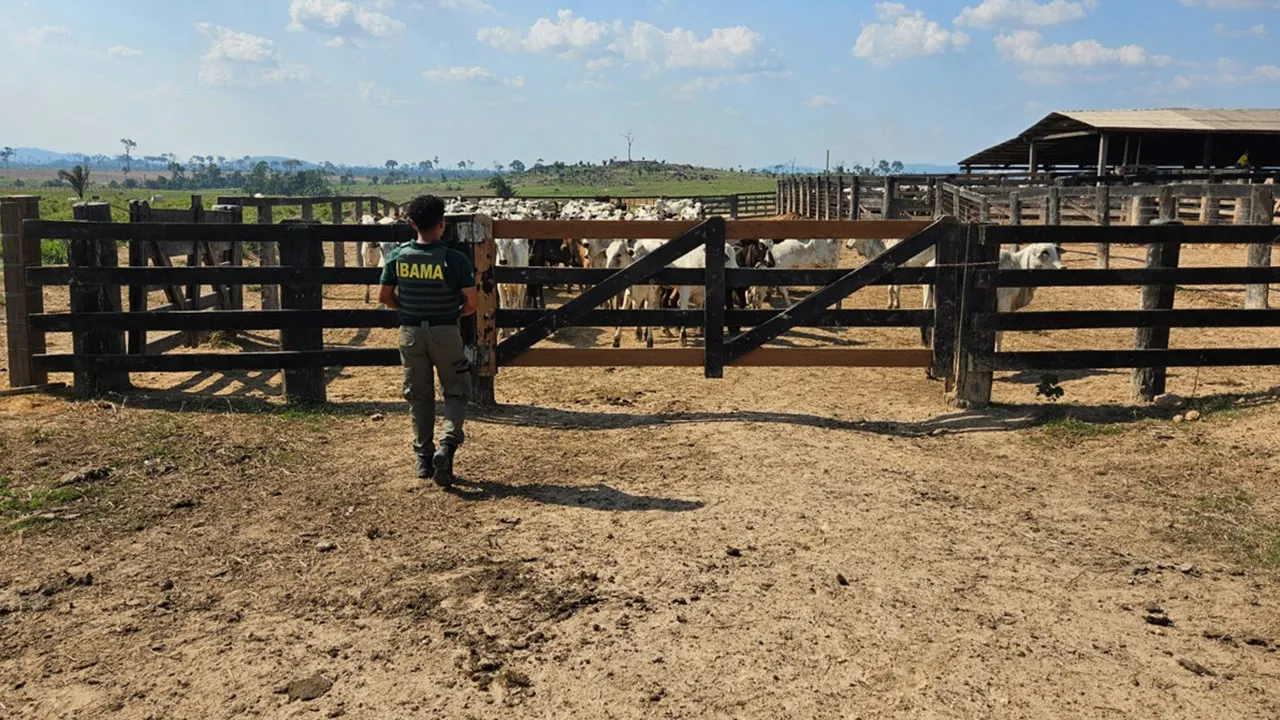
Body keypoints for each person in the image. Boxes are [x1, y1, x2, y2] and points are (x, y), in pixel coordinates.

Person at [378, 195, 478, 485]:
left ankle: (423, 459)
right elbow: (472, 302)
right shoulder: (454, 259)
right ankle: (447, 445)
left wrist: (406, 310)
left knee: (418, 395)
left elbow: (385, 297)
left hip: (410, 333)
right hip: (445, 331)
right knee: (456, 390)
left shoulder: (398, 257)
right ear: (442, 224)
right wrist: (454, 313)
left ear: (412, 224)